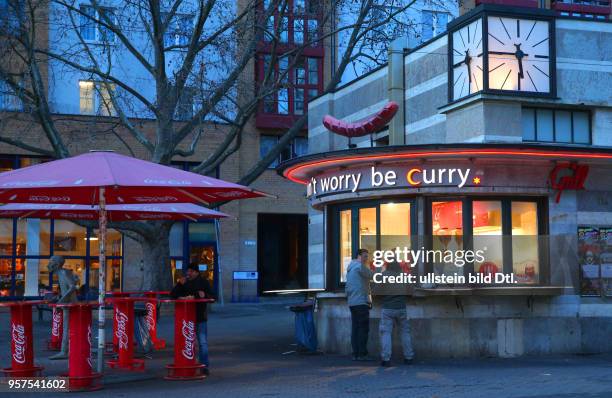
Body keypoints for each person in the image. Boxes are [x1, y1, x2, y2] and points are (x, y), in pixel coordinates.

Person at [170, 262, 216, 374]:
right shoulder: (185, 282)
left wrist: (204, 295)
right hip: (186, 318)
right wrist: (179, 284)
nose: (188, 273)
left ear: (196, 272)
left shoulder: (203, 282)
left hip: (200, 316)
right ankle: (187, 364)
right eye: (187, 271)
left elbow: (214, 297)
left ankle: (204, 366)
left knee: (202, 342)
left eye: (190, 271)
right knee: (187, 342)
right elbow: (172, 295)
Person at [378, 261, 414, 367]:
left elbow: (376, 289)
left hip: (387, 309)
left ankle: (386, 359)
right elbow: (411, 290)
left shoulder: (384, 275)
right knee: (405, 332)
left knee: (386, 333)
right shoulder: (403, 275)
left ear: (388, 267)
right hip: (401, 308)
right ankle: (409, 357)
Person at [345, 248, 374, 361]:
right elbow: (373, 276)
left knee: (356, 328)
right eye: (365, 256)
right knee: (363, 328)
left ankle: (355, 353)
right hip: (361, 301)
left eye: (367, 256)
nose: (367, 258)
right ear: (359, 256)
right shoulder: (360, 266)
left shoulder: (350, 267)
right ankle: (362, 354)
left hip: (352, 302)